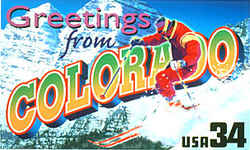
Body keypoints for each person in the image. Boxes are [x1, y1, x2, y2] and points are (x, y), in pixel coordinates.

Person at [131, 17, 201, 103]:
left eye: (163, 33)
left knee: (162, 77)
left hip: (188, 66)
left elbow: (195, 55)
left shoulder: (186, 37)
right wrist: (142, 41)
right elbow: (157, 38)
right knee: (160, 84)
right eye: (161, 33)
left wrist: (183, 62)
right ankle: (168, 101)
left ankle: (173, 102)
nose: (162, 35)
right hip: (176, 63)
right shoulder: (169, 32)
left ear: (168, 28)